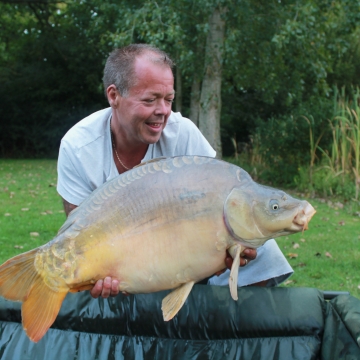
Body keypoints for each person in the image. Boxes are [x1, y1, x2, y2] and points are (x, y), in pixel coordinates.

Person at [57, 44, 293, 299]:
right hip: (123, 253)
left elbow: (221, 197)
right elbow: (76, 234)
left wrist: (221, 252)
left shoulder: (184, 134)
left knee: (262, 248)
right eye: (150, 100)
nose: (163, 111)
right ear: (114, 96)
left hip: (187, 243)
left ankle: (228, 326)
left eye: (168, 99)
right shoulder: (79, 147)